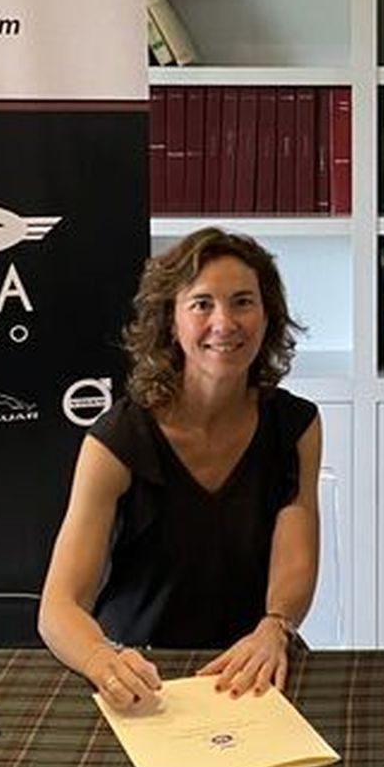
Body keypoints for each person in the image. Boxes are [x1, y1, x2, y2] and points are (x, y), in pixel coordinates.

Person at [39, 227, 322, 710]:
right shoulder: (117, 440)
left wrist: (275, 627)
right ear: (171, 321)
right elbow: (58, 608)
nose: (224, 322)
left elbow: (295, 559)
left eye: (242, 302)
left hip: (249, 664)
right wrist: (101, 660)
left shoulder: (296, 425)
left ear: (267, 316)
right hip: (138, 669)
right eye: (202, 304)